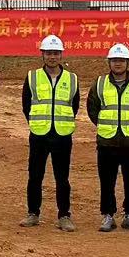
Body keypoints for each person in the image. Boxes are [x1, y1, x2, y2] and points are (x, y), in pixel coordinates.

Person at [87, 42, 129, 232]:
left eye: (121, 60)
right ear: (109, 62)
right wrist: (107, 126)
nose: (118, 63)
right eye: (114, 60)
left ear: (127, 62)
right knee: (106, 181)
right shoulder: (99, 84)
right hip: (107, 141)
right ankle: (108, 215)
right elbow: (93, 109)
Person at [21, 34, 79, 231]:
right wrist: (37, 122)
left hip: (62, 135)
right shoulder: (32, 77)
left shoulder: (72, 78)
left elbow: (74, 105)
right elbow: (26, 105)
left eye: (55, 53)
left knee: (62, 178)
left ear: (61, 55)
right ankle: (33, 213)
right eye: (48, 53)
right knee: (35, 175)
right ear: (42, 55)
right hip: (39, 134)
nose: (52, 57)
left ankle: (64, 216)